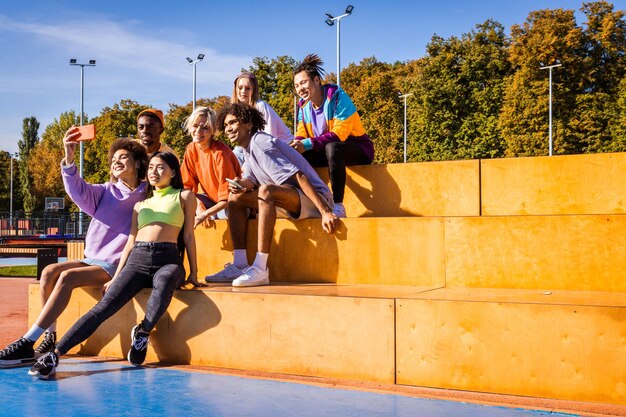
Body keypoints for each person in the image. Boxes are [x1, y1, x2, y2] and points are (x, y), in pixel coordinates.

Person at [29, 151, 204, 379]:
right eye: (151, 167)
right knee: (103, 308)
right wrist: (116, 276)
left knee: (163, 282)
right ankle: (55, 353)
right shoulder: (141, 205)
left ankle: (143, 332)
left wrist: (193, 273)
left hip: (168, 260)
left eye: (160, 167)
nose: (154, 172)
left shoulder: (184, 196)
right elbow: (131, 241)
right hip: (138, 259)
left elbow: (189, 236)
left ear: (172, 172)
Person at [0, 132, 148, 369]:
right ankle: (49, 336)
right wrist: (69, 159)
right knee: (49, 271)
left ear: (138, 163)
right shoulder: (105, 191)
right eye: (113, 159)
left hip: (116, 264)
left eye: (123, 157)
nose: (116, 162)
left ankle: (27, 341)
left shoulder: (147, 193)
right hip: (93, 259)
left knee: (67, 277)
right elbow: (77, 189)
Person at [204, 103, 338, 287]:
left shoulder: (260, 142)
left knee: (266, 190)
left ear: (248, 124)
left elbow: (299, 176)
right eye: (226, 125)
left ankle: (260, 268)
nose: (229, 129)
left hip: (314, 199)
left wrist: (325, 211)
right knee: (235, 198)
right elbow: (249, 180)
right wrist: (238, 185)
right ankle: (240, 263)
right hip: (289, 199)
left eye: (233, 123)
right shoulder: (248, 149)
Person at [290, 54, 374, 218]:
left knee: (332, 147)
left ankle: (338, 205)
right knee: (297, 156)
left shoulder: (338, 97)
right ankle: (308, 204)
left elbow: (339, 135)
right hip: (326, 150)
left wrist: (306, 144)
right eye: (297, 85)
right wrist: (297, 144)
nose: (300, 89)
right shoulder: (303, 107)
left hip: (357, 148)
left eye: (303, 82)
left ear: (316, 80)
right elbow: (301, 132)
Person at [180, 106, 241, 226]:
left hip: (232, 204)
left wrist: (204, 214)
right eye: (195, 126)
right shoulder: (191, 149)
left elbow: (228, 198)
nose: (198, 131)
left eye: (205, 128)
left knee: (226, 214)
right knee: (179, 203)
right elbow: (186, 188)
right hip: (211, 200)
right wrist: (197, 204)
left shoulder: (220, 154)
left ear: (213, 131)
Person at [231, 72, 294, 164]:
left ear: (254, 90)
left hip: (284, 145)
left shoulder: (260, 106)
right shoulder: (239, 111)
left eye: (248, 88)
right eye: (240, 88)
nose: (243, 91)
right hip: (257, 146)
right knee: (234, 154)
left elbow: (270, 136)